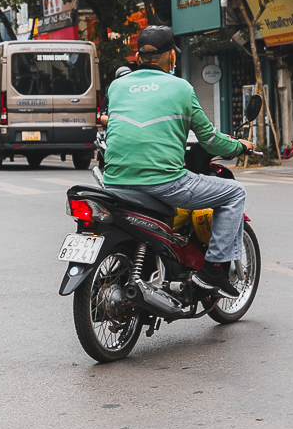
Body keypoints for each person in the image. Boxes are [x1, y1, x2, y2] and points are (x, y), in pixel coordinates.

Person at [104, 25, 248, 300]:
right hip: (164, 182)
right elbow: (210, 140)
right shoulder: (181, 87)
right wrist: (240, 145)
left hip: (113, 183)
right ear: (171, 56)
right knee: (234, 192)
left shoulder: (117, 86)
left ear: (137, 57)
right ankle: (214, 270)